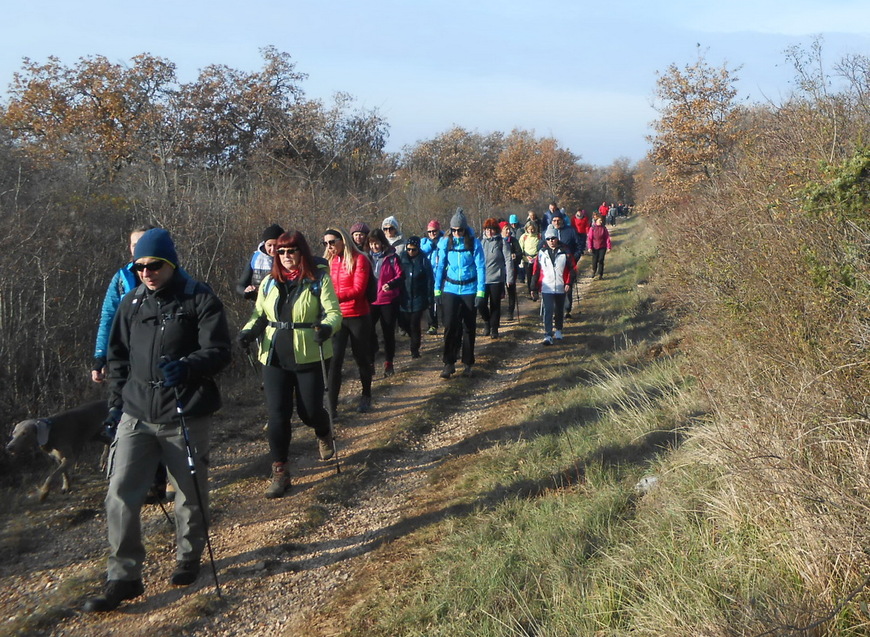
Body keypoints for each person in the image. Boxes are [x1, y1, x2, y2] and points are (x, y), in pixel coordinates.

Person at [84, 228, 232, 613]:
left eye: (154, 265)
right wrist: (116, 405)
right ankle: (124, 575)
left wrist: (186, 367)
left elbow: (219, 350)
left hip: (184, 408)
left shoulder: (199, 298)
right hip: (136, 411)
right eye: (140, 266)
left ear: (171, 263)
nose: (146, 272)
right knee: (120, 493)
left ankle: (189, 555)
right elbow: (117, 356)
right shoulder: (131, 302)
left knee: (189, 491)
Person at [238, 231, 342, 499]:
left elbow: (334, 313)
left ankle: (323, 430)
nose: (286, 257)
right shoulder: (269, 283)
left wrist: (327, 328)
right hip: (274, 356)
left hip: (309, 352)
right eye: (281, 252)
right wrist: (247, 332)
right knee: (277, 415)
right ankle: (280, 471)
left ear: (302, 253)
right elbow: (259, 314)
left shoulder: (318, 280)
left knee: (309, 412)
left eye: (291, 251)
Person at [322, 227, 374, 414]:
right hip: (337, 317)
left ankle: (366, 395)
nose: (329, 247)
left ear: (342, 240)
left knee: (362, 358)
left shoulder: (360, 259)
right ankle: (332, 406)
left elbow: (358, 290)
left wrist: (331, 297)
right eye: (325, 243)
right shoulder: (328, 262)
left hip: (358, 315)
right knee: (334, 361)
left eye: (332, 242)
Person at [91, 225, 153, 383]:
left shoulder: (170, 276)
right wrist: (101, 356)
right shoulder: (121, 278)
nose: (139, 248)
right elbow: (109, 316)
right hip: (128, 355)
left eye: (144, 242)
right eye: (134, 244)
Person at [433, 208, 485, 378]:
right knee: (449, 325)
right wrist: (437, 289)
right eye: (454, 230)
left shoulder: (474, 243)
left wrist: (481, 292)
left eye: (460, 230)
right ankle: (448, 362)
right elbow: (440, 267)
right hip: (450, 288)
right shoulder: (445, 243)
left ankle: (468, 363)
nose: (457, 233)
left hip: (470, 289)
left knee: (469, 327)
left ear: (464, 229)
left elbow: (480, 267)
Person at [531, 226, 574, 346]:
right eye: (548, 238)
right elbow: (536, 271)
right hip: (547, 286)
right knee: (548, 310)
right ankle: (548, 334)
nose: (551, 241)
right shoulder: (541, 253)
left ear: (557, 238)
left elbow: (572, 269)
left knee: (559, 310)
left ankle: (559, 330)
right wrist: (533, 287)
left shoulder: (565, 251)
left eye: (553, 238)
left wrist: (568, 283)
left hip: (561, 286)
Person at [368, 228, 402, 377]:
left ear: (383, 243)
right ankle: (370, 362)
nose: (374, 247)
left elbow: (401, 276)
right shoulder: (365, 258)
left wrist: (391, 284)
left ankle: (389, 363)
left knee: (388, 333)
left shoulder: (392, 256)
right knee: (368, 332)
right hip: (371, 300)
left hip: (388, 300)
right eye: (372, 243)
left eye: (377, 243)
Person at [397, 236, 434, 359]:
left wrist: (429, 298)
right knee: (403, 323)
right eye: (408, 249)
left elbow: (429, 280)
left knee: (414, 324)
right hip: (404, 297)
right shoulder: (401, 259)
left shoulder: (423, 260)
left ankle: (414, 349)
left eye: (413, 249)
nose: (411, 252)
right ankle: (413, 338)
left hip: (419, 297)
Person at [542, 214, 581, 319]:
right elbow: (541, 246)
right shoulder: (547, 233)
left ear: (562, 221)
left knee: (567, 286)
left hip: (568, 263)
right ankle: (557, 311)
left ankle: (567, 309)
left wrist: (574, 257)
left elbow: (578, 245)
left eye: (558, 220)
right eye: (554, 220)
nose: (556, 222)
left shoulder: (570, 231)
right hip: (552, 264)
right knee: (554, 288)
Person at [236, 223, 284, 301]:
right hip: (260, 305)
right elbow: (240, 286)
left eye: (276, 245)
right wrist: (247, 291)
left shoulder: (288, 259)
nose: (272, 250)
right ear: (264, 243)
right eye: (269, 245)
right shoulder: (256, 257)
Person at [479, 217, 509, 338]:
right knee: (481, 303)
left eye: (492, 229)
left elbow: (508, 260)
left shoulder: (502, 242)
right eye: (487, 229)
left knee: (495, 304)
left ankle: (494, 328)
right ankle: (487, 321)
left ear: (496, 230)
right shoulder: (480, 243)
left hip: (497, 278)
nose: (489, 232)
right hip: (482, 279)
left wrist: (509, 278)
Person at [420, 219, 443, 335]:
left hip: (442, 276)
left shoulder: (444, 241)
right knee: (430, 301)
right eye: (429, 232)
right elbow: (421, 252)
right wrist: (431, 244)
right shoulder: (424, 242)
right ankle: (432, 325)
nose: (432, 234)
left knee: (442, 301)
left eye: (434, 231)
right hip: (428, 276)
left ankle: (446, 321)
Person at [501, 222, 520, 320]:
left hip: (512, 268)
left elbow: (519, 252)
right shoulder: (498, 241)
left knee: (511, 290)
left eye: (509, 229)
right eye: (506, 229)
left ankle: (510, 312)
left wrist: (515, 256)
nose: (508, 231)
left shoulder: (513, 241)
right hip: (500, 269)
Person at [519, 220, 541, 298]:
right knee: (529, 277)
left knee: (536, 276)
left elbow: (541, 247)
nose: (531, 231)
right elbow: (521, 248)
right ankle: (530, 292)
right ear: (526, 229)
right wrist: (523, 257)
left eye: (532, 229)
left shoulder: (538, 236)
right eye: (529, 229)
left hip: (537, 259)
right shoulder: (523, 237)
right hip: (527, 260)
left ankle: (536, 291)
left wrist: (537, 256)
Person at [587, 215, 612, 280]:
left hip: (602, 246)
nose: (601, 221)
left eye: (601, 220)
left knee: (601, 260)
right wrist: (589, 247)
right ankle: (594, 270)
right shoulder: (592, 228)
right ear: (596, 221)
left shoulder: (604, 228)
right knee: (594, 260)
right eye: (599, 220)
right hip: (594, 247)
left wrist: (609, 246)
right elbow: (590, 238)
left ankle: (600, 274)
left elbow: (607, 237)